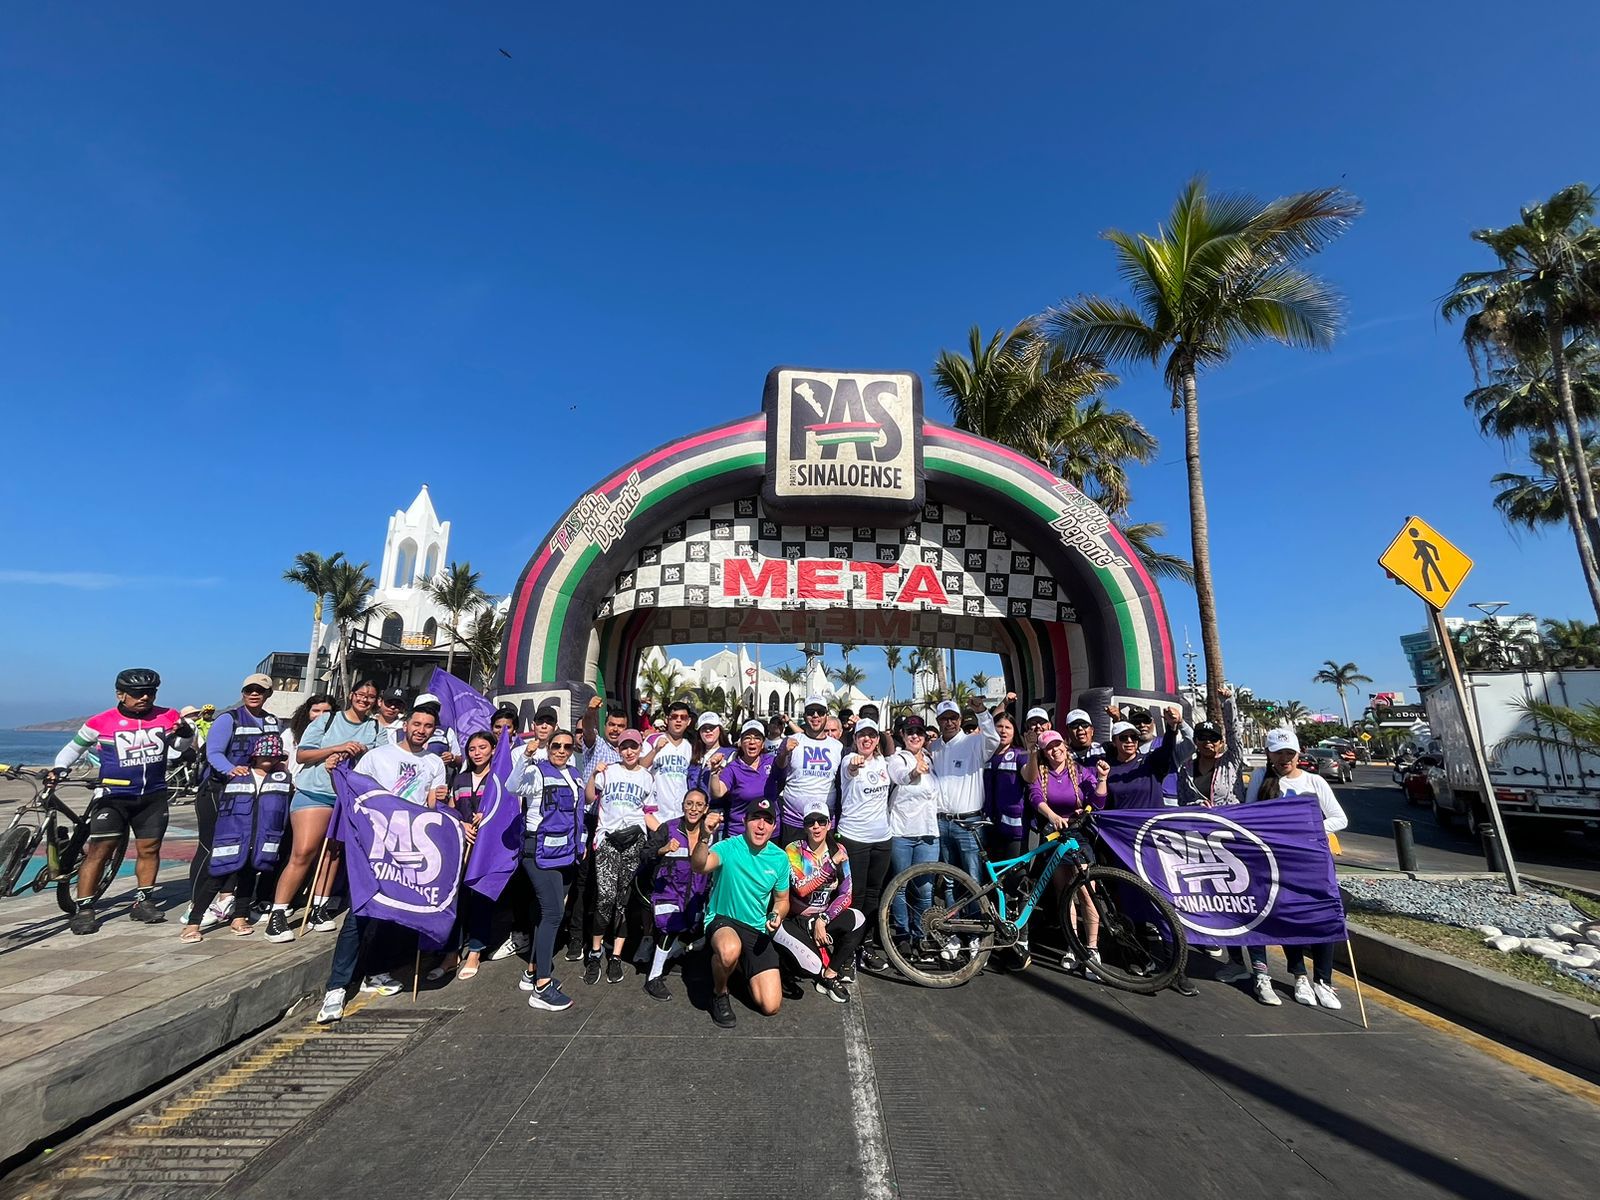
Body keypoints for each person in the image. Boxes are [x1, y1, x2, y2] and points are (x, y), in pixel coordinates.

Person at [50, 668, 193, 934]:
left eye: (150, 692)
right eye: (138, 693)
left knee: (149, 849)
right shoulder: (100, 721)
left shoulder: (168, 716)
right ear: (121, 694)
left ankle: (142, 901)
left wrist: (185, 732)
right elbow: (73, 748)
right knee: (99, 851)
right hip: (113, 797)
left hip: (152, 795)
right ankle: (85, 908)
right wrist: (59, 768)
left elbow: (179, 750)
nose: (145, 698)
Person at [1238, 729, 1350, 1010]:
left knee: (1324, 916)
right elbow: (1248, 817)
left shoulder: (1315, 781)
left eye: (1289, 752)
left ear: (1298, 753)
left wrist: (1309, 829)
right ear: (1270, 754)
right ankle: (1299, 975)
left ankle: (1323, 981)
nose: (1284, 758)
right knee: (1289, 915)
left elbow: (1339, 819)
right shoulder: (1261, 780)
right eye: (1278, 752)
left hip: (1311, 863)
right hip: (1275, 863)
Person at [265, 680, 382, 943]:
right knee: (304, 851)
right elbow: (303, 755)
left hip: (347, 799)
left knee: (332, 853)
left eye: (371, 696)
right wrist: (336, 749)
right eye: (361, 694)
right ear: (351, 695)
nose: (365, 699)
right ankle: (278, 912)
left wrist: (359, 754)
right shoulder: (327, 720)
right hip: (314, 793)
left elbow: (379, 760)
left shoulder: (375, 727)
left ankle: (319, 906)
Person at [1103, 706, 1198, 996]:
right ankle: (1137, 958)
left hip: (1153, 847)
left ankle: (1177, 969)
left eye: (1133, 737)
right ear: (1115, 743)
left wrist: (1171, 727)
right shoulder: (1109, 771)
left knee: (1163, 906)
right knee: (1130, 908)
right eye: (1123, 738)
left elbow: (1169, 748)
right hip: (1122, 848)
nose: (1129, 742)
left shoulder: (1152, 762)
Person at [190, 674, 284, 931]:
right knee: (211, 848)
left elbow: (275, 755)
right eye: (249, 690)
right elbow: (214, 753)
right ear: (243, 692)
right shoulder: (228, 718)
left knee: (245, 848)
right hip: (218, 791)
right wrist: (232, 769)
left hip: (252, 794)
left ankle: (230, 901)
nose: (254, 694)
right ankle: (195, 905)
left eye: (260, 690)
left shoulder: (272, 722)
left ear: (268, 694)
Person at [182, 732, 294, 942]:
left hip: (262, 841)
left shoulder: (282, 779)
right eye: (264, 756)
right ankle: (193, 921)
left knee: (248, 879)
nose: (269, 760)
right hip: (232, 838)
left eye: (274, 757)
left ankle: (239, 916)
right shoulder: (237, 774)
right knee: (216, 879)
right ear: (254, 756)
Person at [694, 796, 790, 1028]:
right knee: (729, 950)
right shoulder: (728, 847)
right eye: (755, 818)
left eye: (767, 821)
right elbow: (699, 865)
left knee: (770, 1005)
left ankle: (735, 968)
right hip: (724, 919)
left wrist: (777, 914)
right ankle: (720, 992)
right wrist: (705, 836)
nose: (760, 826)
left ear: (774, 826)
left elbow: (782, 900)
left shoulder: (780, 858)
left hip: (756, 928)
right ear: (745, 821)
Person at [514, 728, 585, 1012]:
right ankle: (542, 986)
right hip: (538, 851)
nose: (561, 751)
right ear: (548, 746)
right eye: (556, 745)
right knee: (554, 913)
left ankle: (531, 971)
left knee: (548, 913)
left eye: (567, 747)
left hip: (566, 853)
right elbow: (512, 787)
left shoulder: (574, 773)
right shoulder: (535, 771)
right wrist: (526, 756)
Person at [1030, 730, 1110, 973]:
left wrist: (1103, 778)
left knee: (1087, 892)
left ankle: (1092, 948)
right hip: (1055, 836)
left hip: (1078, 836)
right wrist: (1052, 816)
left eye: (1057, 745)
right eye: (1049, 748)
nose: (1055, 750)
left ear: (1065, 746)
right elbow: (1035, 797)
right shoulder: (1041, 774)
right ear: (1044, 752)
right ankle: (1072, 945)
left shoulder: (1079, 771)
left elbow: (1098, 802)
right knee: (1064, 894)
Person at [929, 696, 1000, 942]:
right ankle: (952, 932)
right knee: (948, 881)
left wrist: (981, 712)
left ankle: (975, 935)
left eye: (953, 718)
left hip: (969, 823)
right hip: (942, 822)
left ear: (960, 719)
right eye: (944, 719)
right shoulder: (933, 748)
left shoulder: (974, 742)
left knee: (973, 880)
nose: (949, 722)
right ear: (938, 721)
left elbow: (994, 739)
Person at [584, 728, 652, 985]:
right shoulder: (609, 771)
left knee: (624, 900)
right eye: (624, 747)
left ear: (640, 747)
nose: (629, 751)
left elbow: (648, 811)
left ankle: (615, 956)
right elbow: (590, 797)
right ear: (619, 749)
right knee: (605, 898)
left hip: (634, 839)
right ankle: (594, 952)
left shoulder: (647, 777)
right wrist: (593, 773)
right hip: (607, 839)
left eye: (633, 746)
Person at [429, 730, 497, 982]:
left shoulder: (498, 779)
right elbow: (453, 811)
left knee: (480, 901)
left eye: (482, 747)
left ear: (492, 750)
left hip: (487, 851)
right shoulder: (460, 778)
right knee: (456, 902)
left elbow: (508, 811)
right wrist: (456, 820)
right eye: (472, 749)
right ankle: (451, 954)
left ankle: (475, 952)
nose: (477, 753)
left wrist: (487, 817)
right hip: (461, 849)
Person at [775, 811, 863, 1002]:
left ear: (829, 824)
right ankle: (788, 965)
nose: (816, 826)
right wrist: (831, 864)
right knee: (812, 967)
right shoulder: (793, 850)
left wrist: (824, 919)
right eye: (810, 822)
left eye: (821, 821)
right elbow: (801, 888)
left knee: (858, 918)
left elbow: (846, 894)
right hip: (795, 920)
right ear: (804, 826)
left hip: (819, 919)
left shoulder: (838, 849)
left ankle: (830, 974)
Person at [835, 718, 893, 976]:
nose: (867, 739)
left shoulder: (883, 763)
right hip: (854, 838)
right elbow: (851, 767)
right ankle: (846, 951)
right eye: (862, 736)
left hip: (882, 839)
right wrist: (856, 762)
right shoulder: (848, 760)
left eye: (871, 735)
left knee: (874, 895)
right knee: (854, 896)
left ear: (877, 739)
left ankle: (864, 945)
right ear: (855, 738)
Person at [642, 787, 713, 1001]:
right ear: (683, 806)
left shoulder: (710, 832)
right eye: (689, 803)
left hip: (695, 894)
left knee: (694, 931)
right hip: (668, 892)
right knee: (669, 929)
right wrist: (662, 849)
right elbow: (645, 854)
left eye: (699, 805)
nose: (693, 809)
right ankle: (653, 977)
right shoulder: (668, 828)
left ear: (706, 808)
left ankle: (667, 956)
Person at [885, 716, 939, 958]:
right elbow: (900, 777)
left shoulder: (931, 758)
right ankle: (903, 934)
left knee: (925, 890)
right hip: (902, 833)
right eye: (910, 731)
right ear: (902, 735)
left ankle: (921, 935)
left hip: (929, 833)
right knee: (900, 887)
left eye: (919, 731)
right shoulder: (897, 759)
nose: (915, 735)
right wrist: (914, 772)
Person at [774, 696, 844, 839]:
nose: (816, 715)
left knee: (822, 862)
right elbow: (778, 771)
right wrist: (783, 753)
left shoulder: (837, 746)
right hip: (793, 822)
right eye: (811, 711)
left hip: (824, 823)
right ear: (805, 715)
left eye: (820, 712)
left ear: (826, 715)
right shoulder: (791, 741)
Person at [357, 707, 451, 807]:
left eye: (428, 726)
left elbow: (432, 804)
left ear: (433, 731)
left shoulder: (436, 762)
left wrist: (441, 797)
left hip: (415, 820)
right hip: (378, 819)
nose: (421, 731)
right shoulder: (376, 755)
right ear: (405, 726)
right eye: (416, 724)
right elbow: (355, 786)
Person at [1176, 685, 1246, 809]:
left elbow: (1234, 735)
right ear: (1195, 741)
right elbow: (1182, 802)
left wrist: (1228, 702)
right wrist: (1197, 806)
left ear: (1221, 742)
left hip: (1229, 823)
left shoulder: (1231, 762)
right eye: (1202, 737)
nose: (1208, 741)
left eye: (1213, 738)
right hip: (1197, 824)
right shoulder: (1185, 769)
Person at [709, 720, 776, 838]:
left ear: (763, 743)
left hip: (769, 833)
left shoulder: (772, 762)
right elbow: (718, 792)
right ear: (740, 742)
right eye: (747, 738)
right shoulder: (733, 768)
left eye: (757, 738)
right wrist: (714, 772)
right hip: (740, 832)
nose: (752, 742)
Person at [985, 712, 1031, 861]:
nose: (1003, 731)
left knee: (1015, 876)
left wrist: (1033, 753)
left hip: (1015, 827)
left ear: (1014, 732)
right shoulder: (984, 755)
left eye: (1008, 727)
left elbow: (1029, 776)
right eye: (999, 726)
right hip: (989, 825)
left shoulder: (1020, 754)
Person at [641, 701, 694, 825]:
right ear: (667, 720)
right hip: (656, 813)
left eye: (683, 718)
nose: (678, 721)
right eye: (674, 717)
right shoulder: (653, 739)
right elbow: (641, 766)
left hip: (681, 813)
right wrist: (655, 750)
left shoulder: (690, 746)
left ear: (689, 721)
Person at [284, 694, 336, 781]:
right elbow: (283, 762)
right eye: (316, 711)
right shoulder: (290, 734)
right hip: (292, 784)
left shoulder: (336, 735)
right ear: (307, 712)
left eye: (326, 711)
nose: (321, 715)